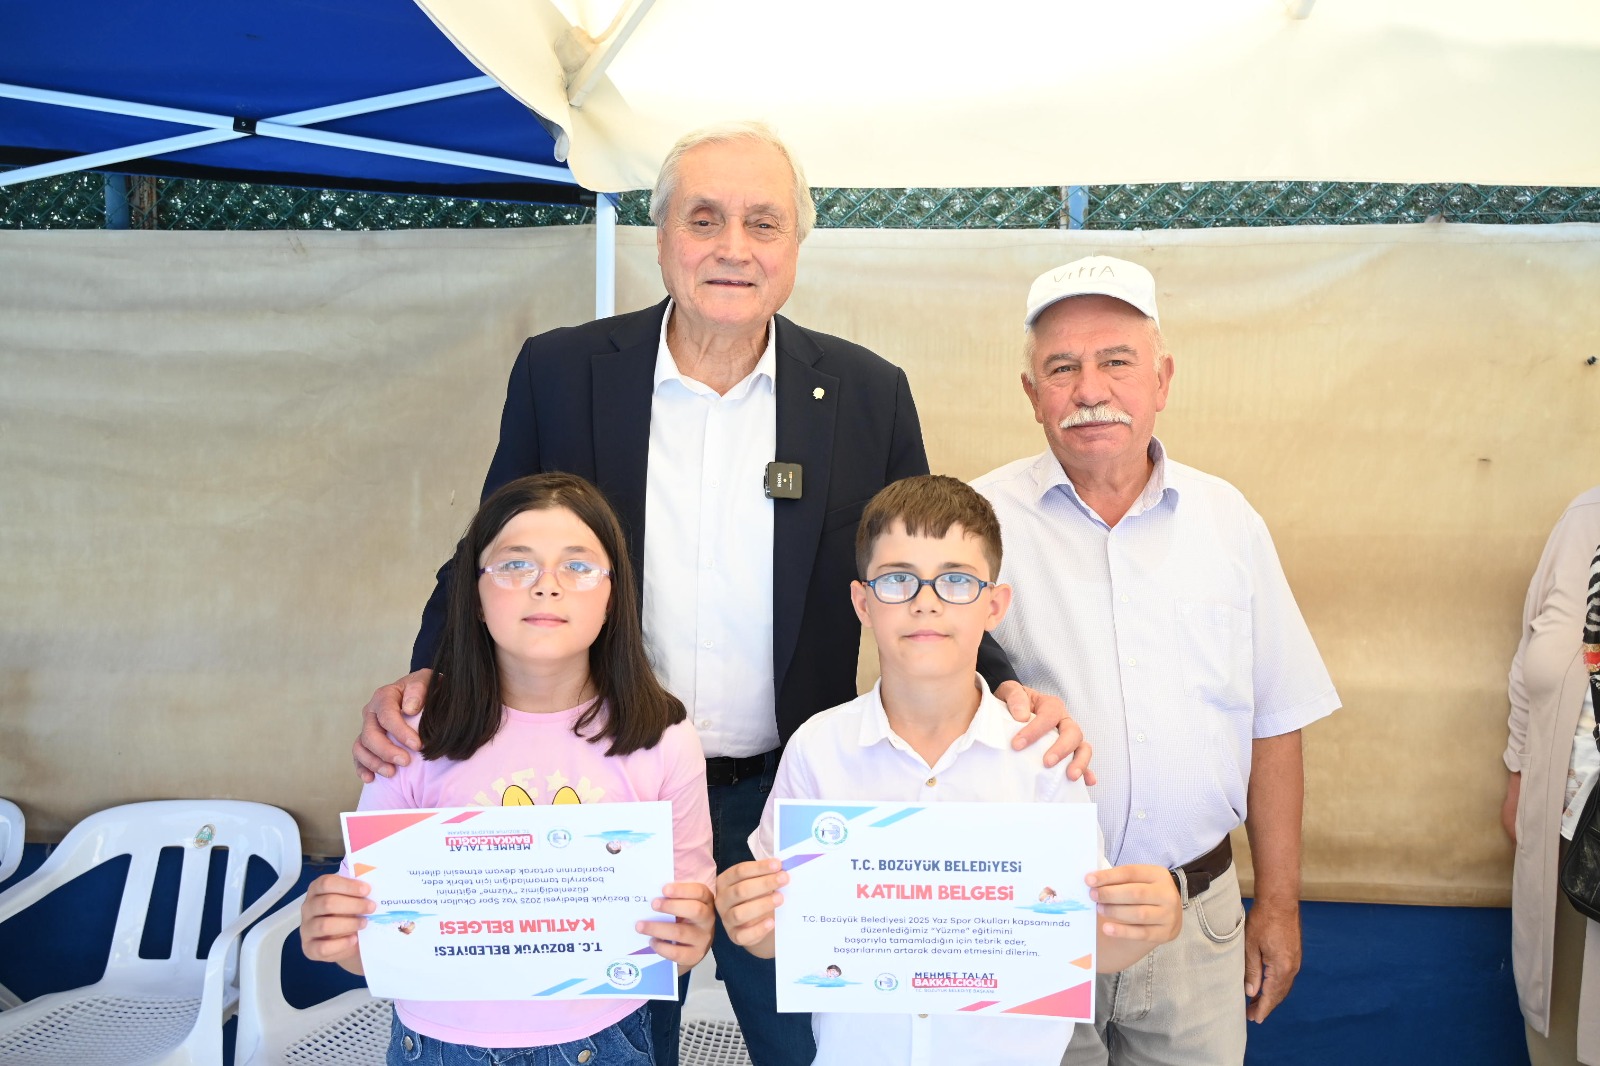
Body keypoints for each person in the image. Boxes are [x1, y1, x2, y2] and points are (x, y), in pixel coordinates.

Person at [349, 123, 1092, 1066]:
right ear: (662, 237)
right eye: (704, 220)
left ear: (796, 247)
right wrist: (428, 677)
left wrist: (1007, 686)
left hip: (787, 797)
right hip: (603, 790)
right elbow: (488, 552)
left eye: (762, 223)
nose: (733, 247)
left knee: (804, 1045)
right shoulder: (562, 371)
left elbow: (917, 563)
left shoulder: (866, 393)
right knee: (613, 1042)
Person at [971, 255, 1340, 1064]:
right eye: (1062, 368)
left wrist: (1279, 905)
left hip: (1196, 920)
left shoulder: (1227, 522)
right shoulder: (975, 525)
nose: (1090, 389)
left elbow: (1276, 721)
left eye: (1117, 362)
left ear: (1163, 380)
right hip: (1032, 914)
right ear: (1031, 393)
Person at [715, 475, 1182, 1065]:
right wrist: (746, 917)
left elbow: (1082, 940)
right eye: (897, 579)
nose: (926, 601)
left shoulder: (1041, 756)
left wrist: (1149, 922)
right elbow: (780, 933)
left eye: (957, 580)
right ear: (862, 603)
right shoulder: (818, 748)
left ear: (995, 606)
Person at [302, 473, 715, 1064]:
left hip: (604, 1039)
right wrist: (334, 933)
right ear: (474, 596)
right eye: (515, 565)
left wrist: (692, 936)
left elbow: (688, 919)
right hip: (436, 1045)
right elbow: (368, 942)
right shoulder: (412, 735)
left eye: (578, 566)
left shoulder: (664, 739)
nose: (546, 585)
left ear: (613, 596)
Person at [1502, 487, 1600, 1064]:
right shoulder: (1584, 520)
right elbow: (1528, 663)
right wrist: (1520, 774)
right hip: (1566, 851)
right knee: (1556, 1039)